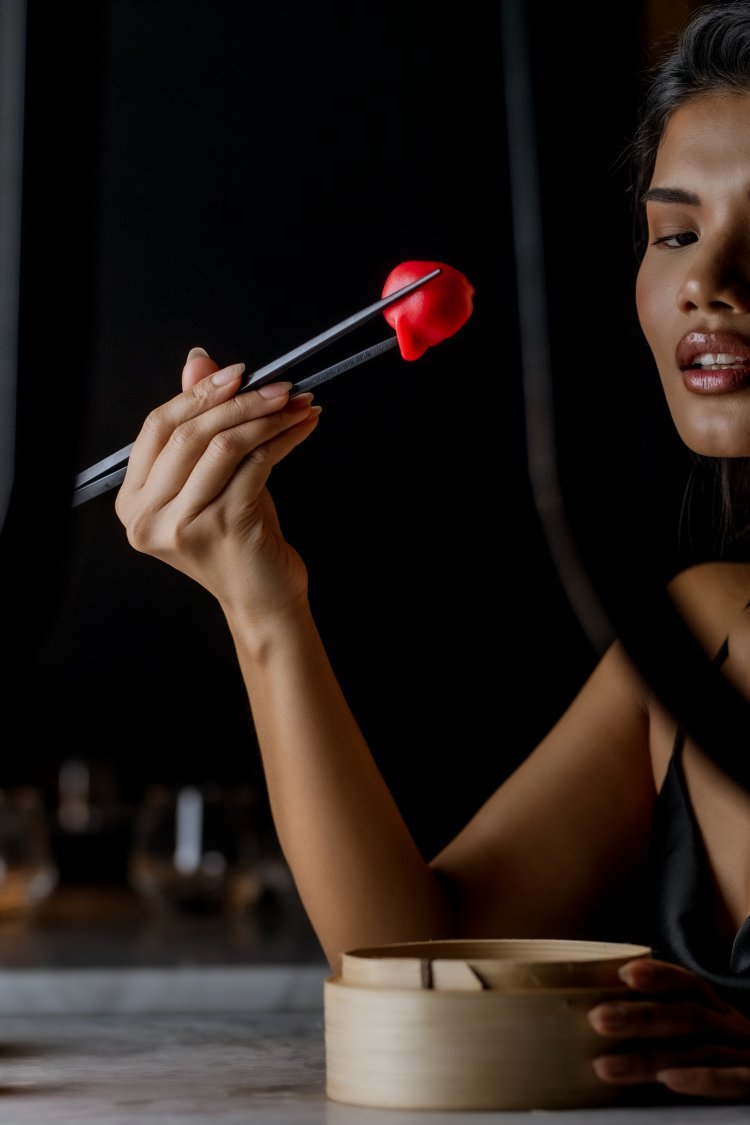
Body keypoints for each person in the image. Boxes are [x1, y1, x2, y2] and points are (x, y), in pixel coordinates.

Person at [114, 2, 750, 1102]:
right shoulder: (699, 631)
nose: (707, 279)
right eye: (677, 233)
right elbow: (419, 968)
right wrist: (265, 610)